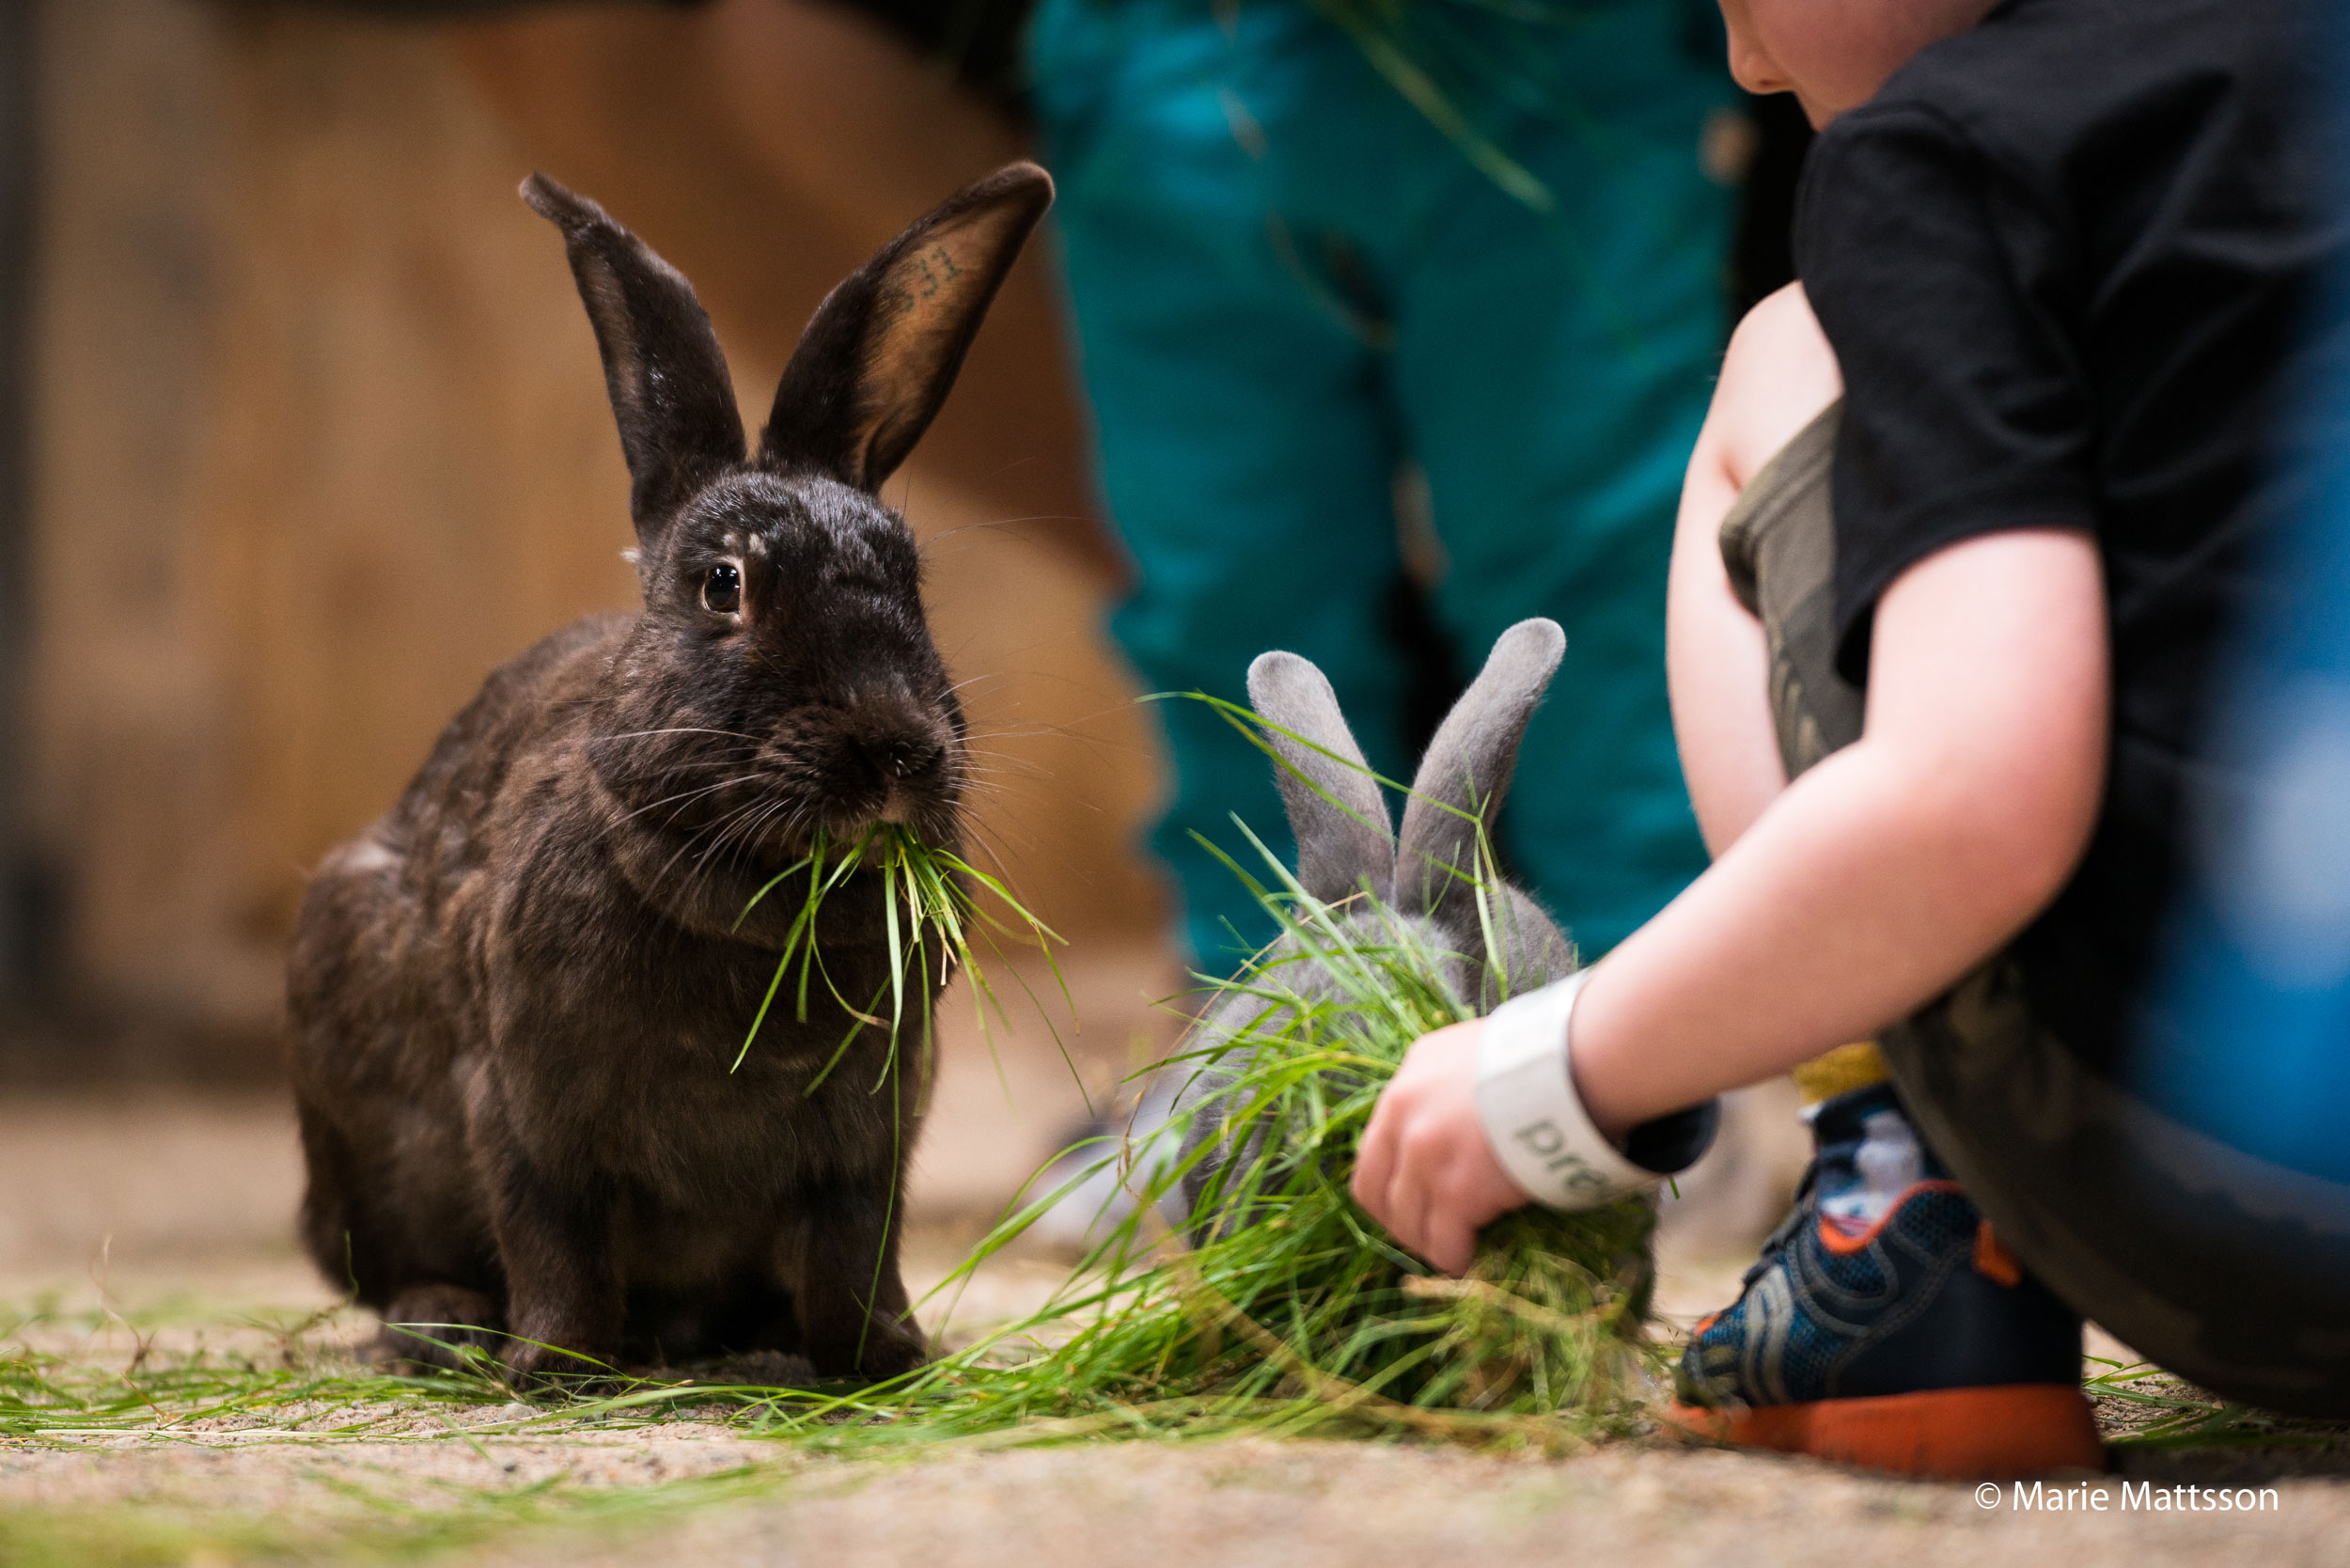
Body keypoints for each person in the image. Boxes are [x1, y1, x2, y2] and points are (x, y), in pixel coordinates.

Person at [1348, 0, 2350, 1475]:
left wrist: (1555, 1070)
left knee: (1789, 344)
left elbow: (1972, 797)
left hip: (2252, 1195)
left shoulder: (1953, 152)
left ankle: (1894, 1193)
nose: (1744, 56)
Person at [1026, 0, 1743, 967]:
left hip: (1553, 56)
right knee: (1232, 586)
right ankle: (1268, 1008)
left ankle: (1649, 998)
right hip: (1173, 58)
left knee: (1597, 580)